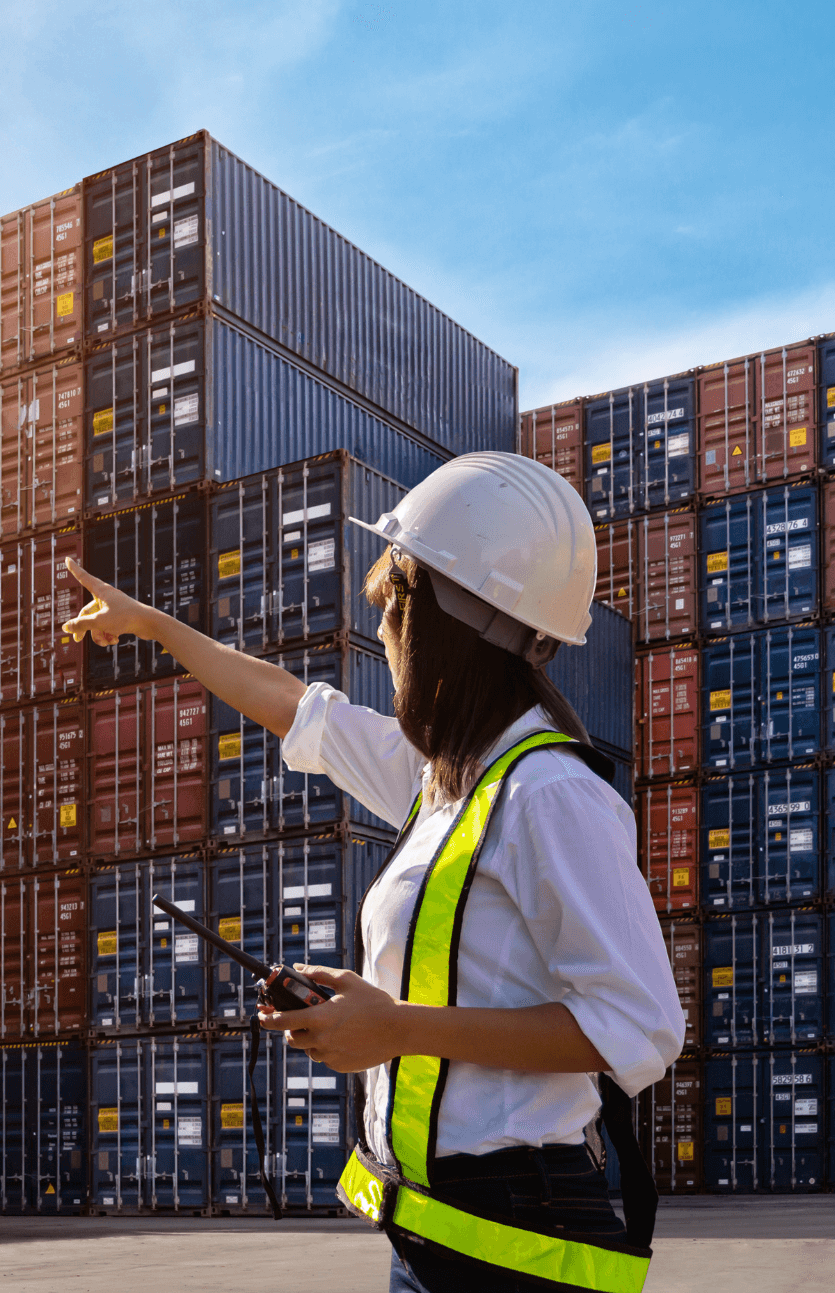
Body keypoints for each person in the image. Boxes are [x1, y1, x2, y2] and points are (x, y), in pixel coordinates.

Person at [61, 452, 682, 1293]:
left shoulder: (549, 794)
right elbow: (295, 706)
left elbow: (639, 1027)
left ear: (440, 621)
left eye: (390, 609)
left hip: (517, 1241)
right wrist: (155, 627)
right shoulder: (447, 778)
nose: (380, 635)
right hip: (433, 1231)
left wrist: (394, 1027)